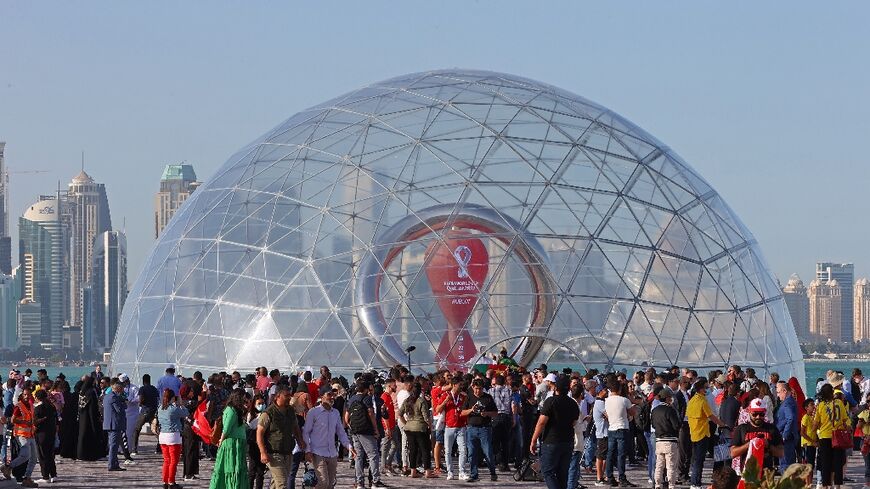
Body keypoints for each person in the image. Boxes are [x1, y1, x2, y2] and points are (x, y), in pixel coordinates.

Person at [530, 375, 580, 489]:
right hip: (567, 441)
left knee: (548, 471)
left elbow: (541, 422)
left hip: (551, 441)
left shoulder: (551, 401)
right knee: (563, 474)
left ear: (556, 387)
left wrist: (533, 440)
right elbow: (574, 422)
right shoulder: (572, 403)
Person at [304, 388, 354, 489]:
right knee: (323, 483)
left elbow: (341, 432)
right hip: (317, 452)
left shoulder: (335, 413)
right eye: (329, 395)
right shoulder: (313, 412)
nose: (332, 397)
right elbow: (305, 432)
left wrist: (349, 446)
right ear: (321, 397)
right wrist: (307, 450)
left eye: (333, 395)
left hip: (332, 453)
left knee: (330, 485)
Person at [257, 385, 306, 489]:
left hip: (288, 452)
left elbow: (295, 428)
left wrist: (300, 440)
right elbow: (259, 433)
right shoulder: (268, 413)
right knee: (282, 483)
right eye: (286, 395)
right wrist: (262, 452)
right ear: (277, 396)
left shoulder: (290, 411)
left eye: (290, 395)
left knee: (276, 483)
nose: (289, 397)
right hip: (273, 453)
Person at [686, 377, 725, 489]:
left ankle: (694, 481)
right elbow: (711, 416)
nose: (707, 389)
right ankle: (696, 483)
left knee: (696, 459)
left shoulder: (692, 400)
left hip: (693, 433)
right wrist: (722, 424)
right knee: (699, 460)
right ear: (700, 389)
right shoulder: (702, 400)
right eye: (706, 388)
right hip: (702, 433)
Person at [345, 380, 384, 488]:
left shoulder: (351, 399)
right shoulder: (366, 398)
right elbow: (371, 413)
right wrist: (375, 429)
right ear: (366, 389)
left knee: (358, 456)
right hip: (366, 431)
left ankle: (359, 483)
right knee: (373, 455)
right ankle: (375, 482)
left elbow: (346, 417)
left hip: (355, 431)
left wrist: (351, 426)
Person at [730, 399, 784, 473]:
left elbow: (781, 453)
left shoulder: (772, 429)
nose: (758, 417)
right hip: (747, 473)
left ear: (765, 413)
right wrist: (750, 444)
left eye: (761, 414)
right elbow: (732, 453)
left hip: (766, 474)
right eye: (755, 414)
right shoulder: (741, 429)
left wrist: (768, 445)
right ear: (749, 412)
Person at [209, 388, 250, 489]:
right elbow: (226, 428)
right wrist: (221, 440)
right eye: (243, 397)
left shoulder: (236, 410)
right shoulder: (231, 410)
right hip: (232, 443)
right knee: (231, 468)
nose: (245, 399)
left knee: (236, 468)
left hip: (237, 443)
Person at [813, 384, 850, 489]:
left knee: (826, 463)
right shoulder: (839, 402)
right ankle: (837, 485)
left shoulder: (821, 405)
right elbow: (844, 418)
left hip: (825, 436)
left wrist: (813, 432)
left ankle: (826, 485)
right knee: (838, 462)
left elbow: (816, 422)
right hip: (837, 435)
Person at [461, 378, 499, 483]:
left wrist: (487, 413)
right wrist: (471, 410)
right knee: (472, 453)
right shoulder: (469, 397)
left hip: (485, 428)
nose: (478, 391)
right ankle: (474, 475)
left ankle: (492, 472)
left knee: (488, 453)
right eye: (476, 388)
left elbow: (496, 413)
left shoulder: (488, 398)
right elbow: (462, 412)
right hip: (471, 428)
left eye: (480, 389)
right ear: (473, 387)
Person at [604, 379, 638, 487]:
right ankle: (622, 478)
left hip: (611, 428)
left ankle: (609, 476)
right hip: (622, 428)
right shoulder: (624, 400)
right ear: (619, 389)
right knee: (621, 454)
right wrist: (634, 407)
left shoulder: (607, 400)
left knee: (610, 454)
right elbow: (632, 413)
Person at [398, 382, 436, 479]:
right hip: (420, 428)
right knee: (425, 450)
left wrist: (406, 423)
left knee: (413, 450)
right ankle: (428, 472)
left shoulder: (407, 400)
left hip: (409, 428)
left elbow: (399, 414)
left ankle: (413, 471)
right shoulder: (421, 401)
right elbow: (426, 417)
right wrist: (430, 427)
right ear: (420, 391)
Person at [3, 388, 38, 487]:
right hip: (21, 434)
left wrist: (35, 423)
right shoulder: (19, 406)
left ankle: (27, 478)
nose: (27, 397)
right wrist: (25, 422)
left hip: (31, 434)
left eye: (28, 395)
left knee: (34, 458)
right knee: (26, 455)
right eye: (25, 395)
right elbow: (13, 420)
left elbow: (32, 418)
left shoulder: (31, 405)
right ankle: (8, 467)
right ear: (22, 395)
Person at [436, 376, 468, 481]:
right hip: (449, 426)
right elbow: (437, 409)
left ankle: (462, 472)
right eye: (460, 385)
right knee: (448, 451)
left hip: (461, 426)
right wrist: (445, 401)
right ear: (454, 385)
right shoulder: (446, 395)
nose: (461, 386)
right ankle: (450, 472)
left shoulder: (463, 396)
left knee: (463, 450)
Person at [158, 388, 189, 489]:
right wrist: (181, 404)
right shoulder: (174, 409)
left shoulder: (160, 408)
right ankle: (171, 482)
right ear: (172, 398)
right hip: (173, 436)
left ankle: (165, 482)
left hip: (162, 435)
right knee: (173, 461)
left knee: (166, 460)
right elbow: (186, 413)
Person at [651, 389, 681, 489]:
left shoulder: (655, 410)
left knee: (659, 465)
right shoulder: (670, 410)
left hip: (659, 440)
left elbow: (654, 425)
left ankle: (657, 484)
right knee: (671, 465)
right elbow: (676, 425)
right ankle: (671, 485)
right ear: (668, 398)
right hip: (670, 440)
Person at [32, 389, 58, 484]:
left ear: (37, 398)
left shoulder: (38, 408)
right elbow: (56, 419)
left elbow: (34, 422)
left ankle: (45, 476)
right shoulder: (51, 406)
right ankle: (54, 475)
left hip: (41, 434)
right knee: (50, 455)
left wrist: (42, 419)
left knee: (43, 456)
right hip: (51, 433)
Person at [77, 376, 105, 461]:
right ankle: (91, 454)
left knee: (82, 435)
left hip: (82, 416)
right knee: (91, 435)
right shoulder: (91, 392)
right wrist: (96, 417)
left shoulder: (82, 392)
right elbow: (93, 407)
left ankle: (81, 454)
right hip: (90, 417)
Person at [103, 379, 127, 472]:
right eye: (120, 388)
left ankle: (115, 463)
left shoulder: (107, 396)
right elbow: (119, 409)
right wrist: (123, 403)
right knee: (114, 446)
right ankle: (112, 464)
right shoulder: (114, 397)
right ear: (117, 388)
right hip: (114, 424)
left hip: (109, 424)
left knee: (113, 445)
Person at [133, 373, 159, 454]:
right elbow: (157, 399)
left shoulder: (142, 388)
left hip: (145, 411)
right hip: (154, 411)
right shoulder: (154, 389)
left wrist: (140, 404)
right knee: (156, 430)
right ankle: (159, 448)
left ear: (143, 381)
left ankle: (134, 449)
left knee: (137, 429)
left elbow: (141, 399)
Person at [774, 381, 798, 471]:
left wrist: (785, 434)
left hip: (786, 438)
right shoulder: (790, 401)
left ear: (784, 391)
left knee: (785, 465)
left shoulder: (787, 403)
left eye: (778, 392)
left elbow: (790, 418)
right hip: (789, 436)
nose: (778, 395)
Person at [246, 395, 267, 489]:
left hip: (263, 443)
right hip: (253, 444)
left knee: (260, 472)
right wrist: (259, 418)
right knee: (252, 471)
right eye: (259, 404)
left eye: (263, 403)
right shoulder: (251, 414)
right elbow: (250, 426)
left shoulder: (266, 414)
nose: (261, 405)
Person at [799, 399, 817, 474]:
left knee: (811, 465)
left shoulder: (813, 417)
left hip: (812, 444)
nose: (814, 406)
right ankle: (806, 484)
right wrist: (812, 441)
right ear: (806, 407)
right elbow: (802, 433)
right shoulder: (805, 417)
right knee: (807, 466)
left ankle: (809, 483)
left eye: (814, 404)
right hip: (807, 444)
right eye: (811, 405)